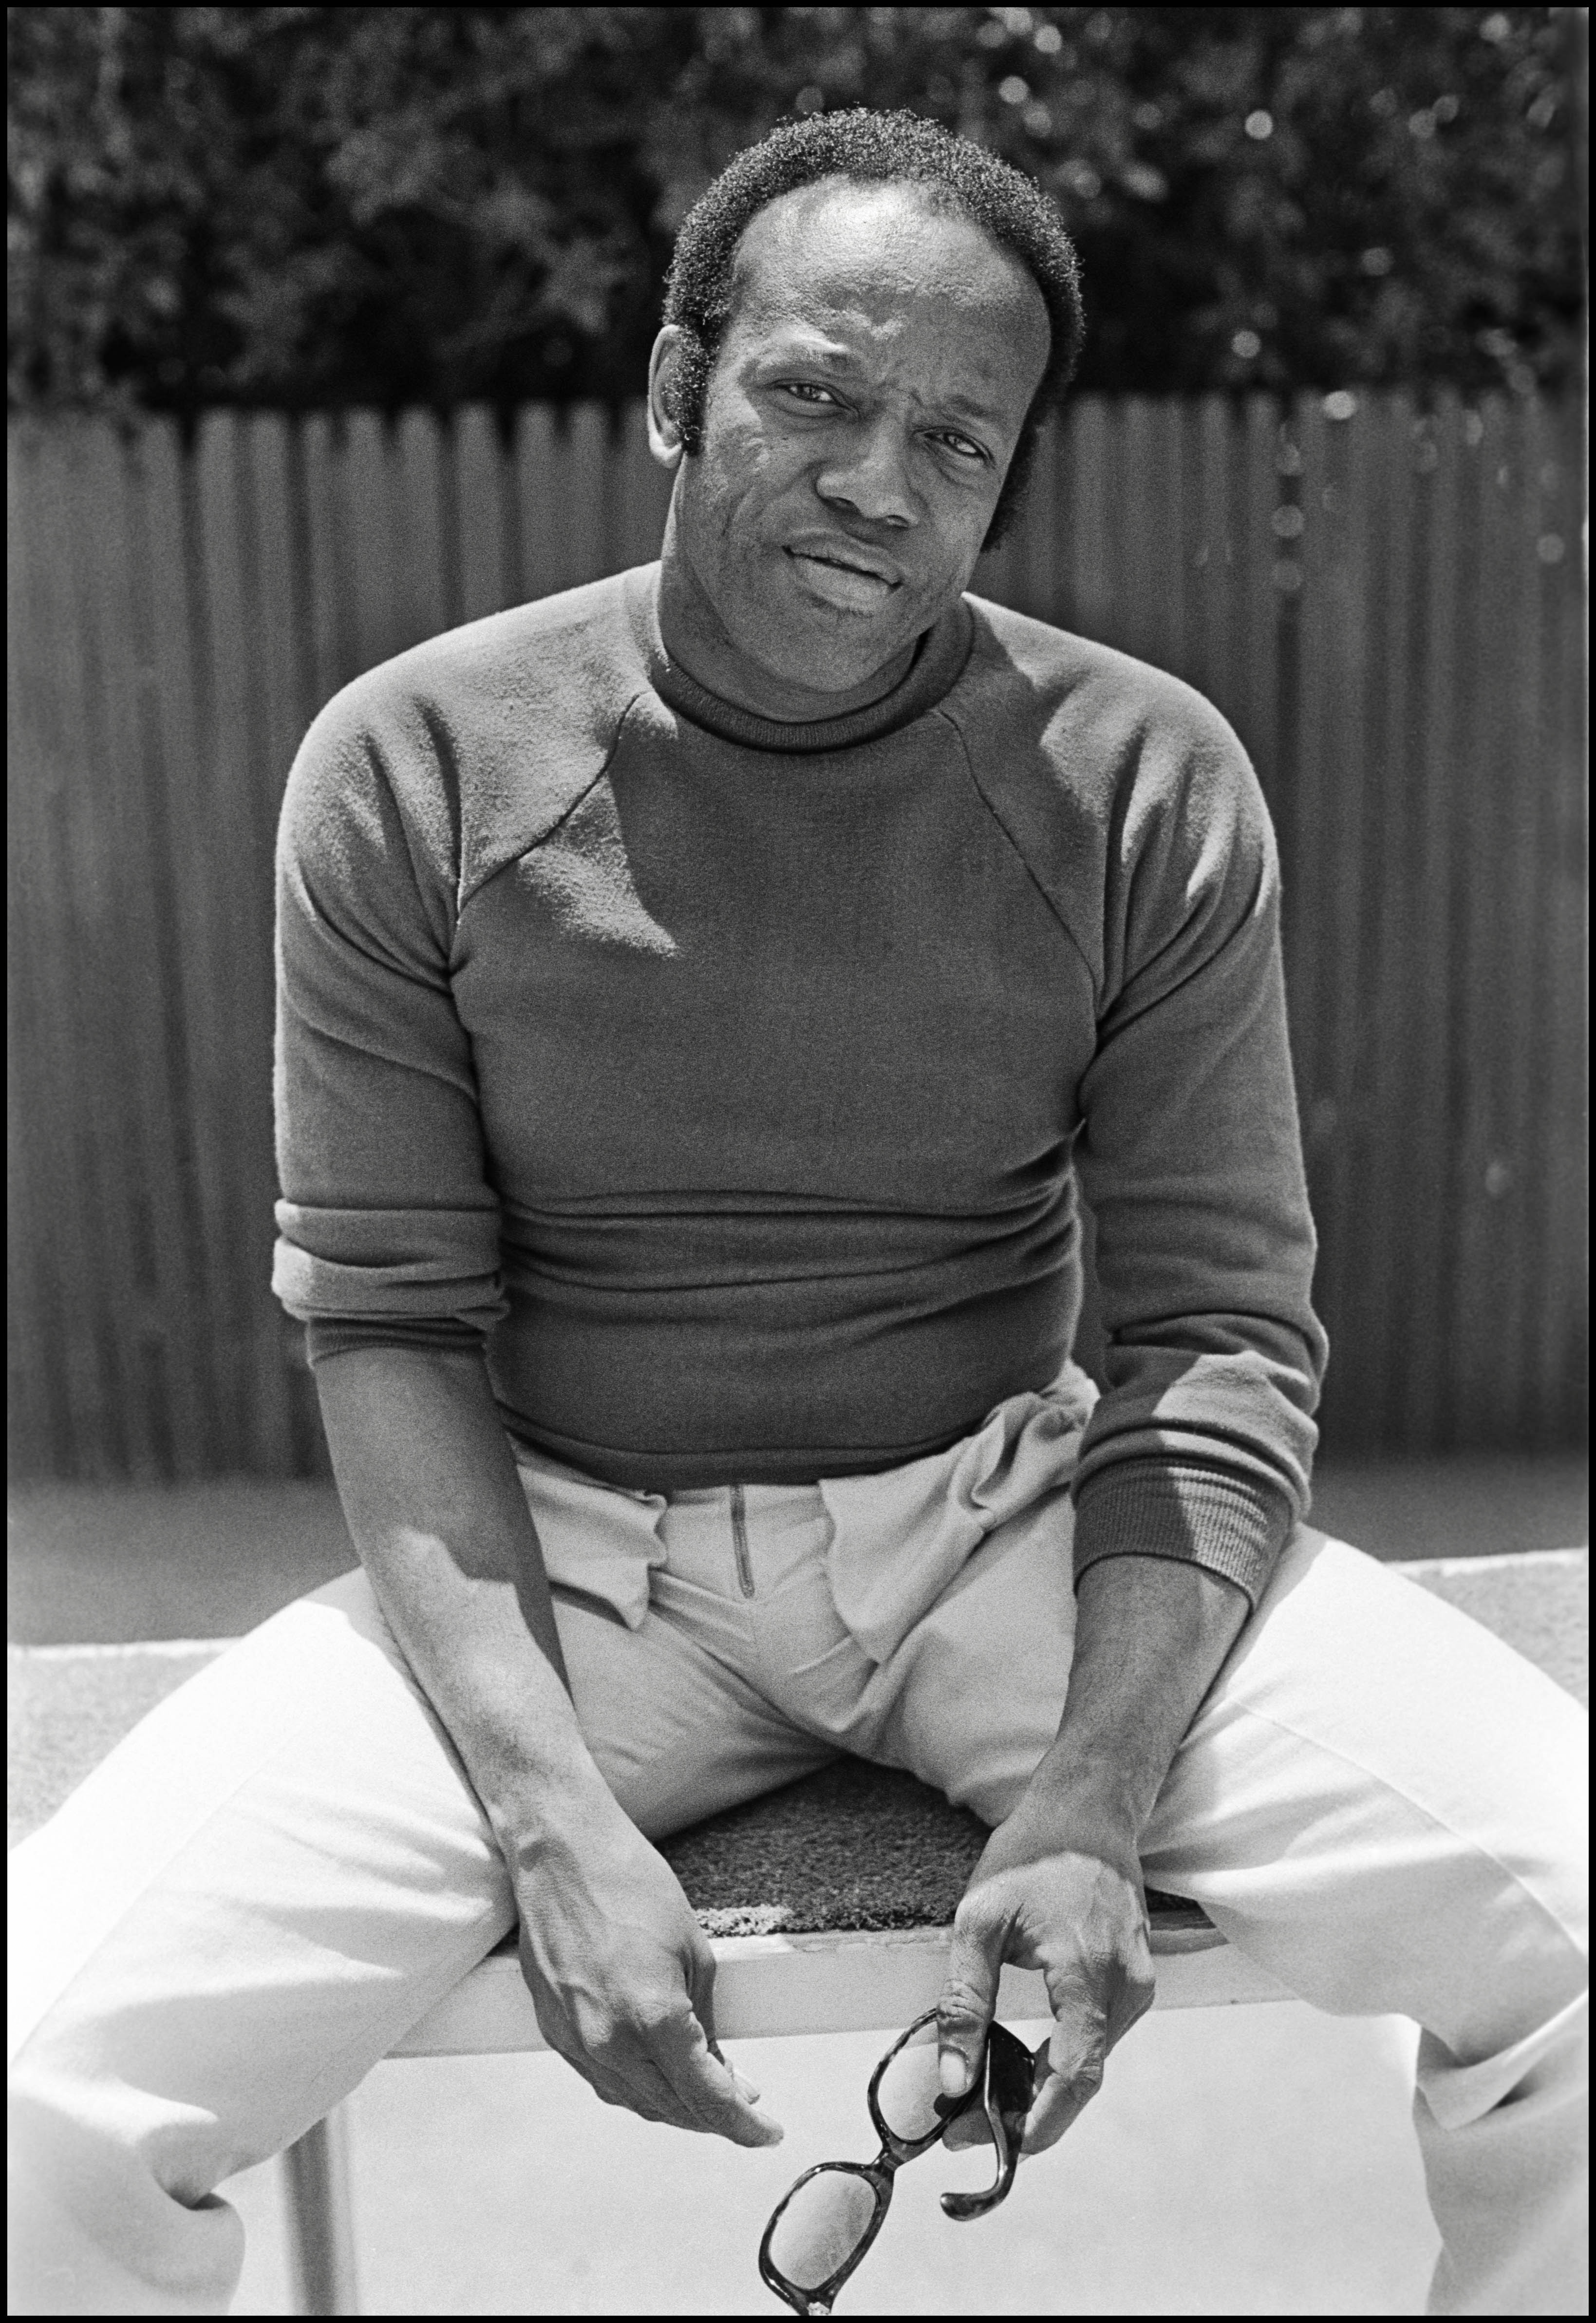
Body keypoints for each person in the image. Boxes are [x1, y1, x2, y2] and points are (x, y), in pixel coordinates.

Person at [9, 108, 1585, 2318]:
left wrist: (1101, 1793)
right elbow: (389, 1320)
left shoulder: (1139, 777)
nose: (878, 478)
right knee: (33, 2076)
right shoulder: (418, 763)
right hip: (558, 1550)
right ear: (676, 386)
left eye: (954, 434)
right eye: (814, 392)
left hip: (993, 1517)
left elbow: (1220, 1328)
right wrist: (549, 1810)